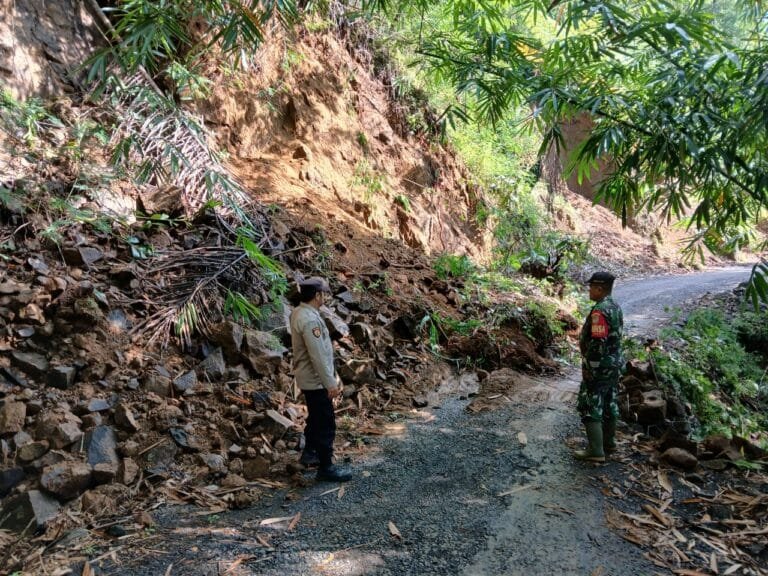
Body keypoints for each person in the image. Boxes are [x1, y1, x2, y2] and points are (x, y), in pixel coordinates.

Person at [289, 276, 352, 482]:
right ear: (317, 295)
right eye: (323, 294)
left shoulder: (299, 312)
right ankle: (326, 467)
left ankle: (310, 453)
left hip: (310, 377)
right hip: (315, 379)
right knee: (325, 422)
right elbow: (317, 355)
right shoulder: (309, 320)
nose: (325, 297)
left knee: (316, 417)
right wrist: (330, 383)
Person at [574, 271, 624, 462]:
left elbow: (598, 341)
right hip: (613, 364)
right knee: (609, 400)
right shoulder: (615, 307)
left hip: (599, 366)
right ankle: (609, 443)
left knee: (591, 404)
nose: (589, 290)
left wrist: (591, 365)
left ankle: (596, 451)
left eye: (591, 287)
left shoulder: (600, 311)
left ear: (600, 289)